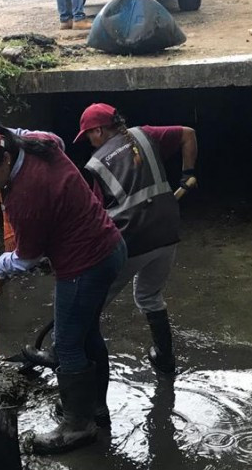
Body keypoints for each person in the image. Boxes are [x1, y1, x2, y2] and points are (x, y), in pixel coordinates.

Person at [0, 123, 127, 454]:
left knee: (66, 343)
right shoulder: (38, 143)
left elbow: (28, 256)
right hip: (109, 246)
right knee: (87, 334)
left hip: (85, 264)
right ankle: (94, 408)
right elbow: (51, 136)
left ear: (4, 159)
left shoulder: (25, 196)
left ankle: (78, 426)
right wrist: (0, 131)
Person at [24, 105, 197, 377]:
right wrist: (187, 174)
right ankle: (165, 358)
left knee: (88, 302)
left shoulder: (97, 164)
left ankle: (63, 355)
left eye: (89, 136)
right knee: (149, 295)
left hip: (132, 241)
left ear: (99, 130)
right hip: (168, 231)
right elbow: (189, 134)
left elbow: (93, 215)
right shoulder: (145, 135)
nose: (90, 143)